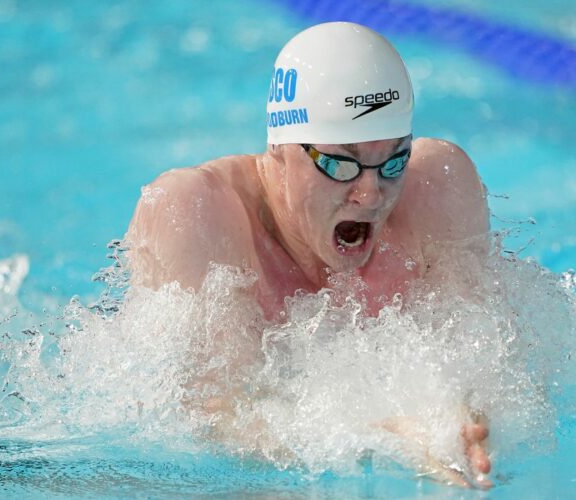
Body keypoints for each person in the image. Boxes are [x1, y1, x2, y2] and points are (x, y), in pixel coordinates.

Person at [126, 22, 492, 488]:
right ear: (279, 147)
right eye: (341, 163)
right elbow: (214, 422)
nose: (371, 194)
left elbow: (484, 355)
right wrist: (380, 438)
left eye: (393, 162)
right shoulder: (196, 213)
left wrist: (465, 420)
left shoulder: (437, 188)